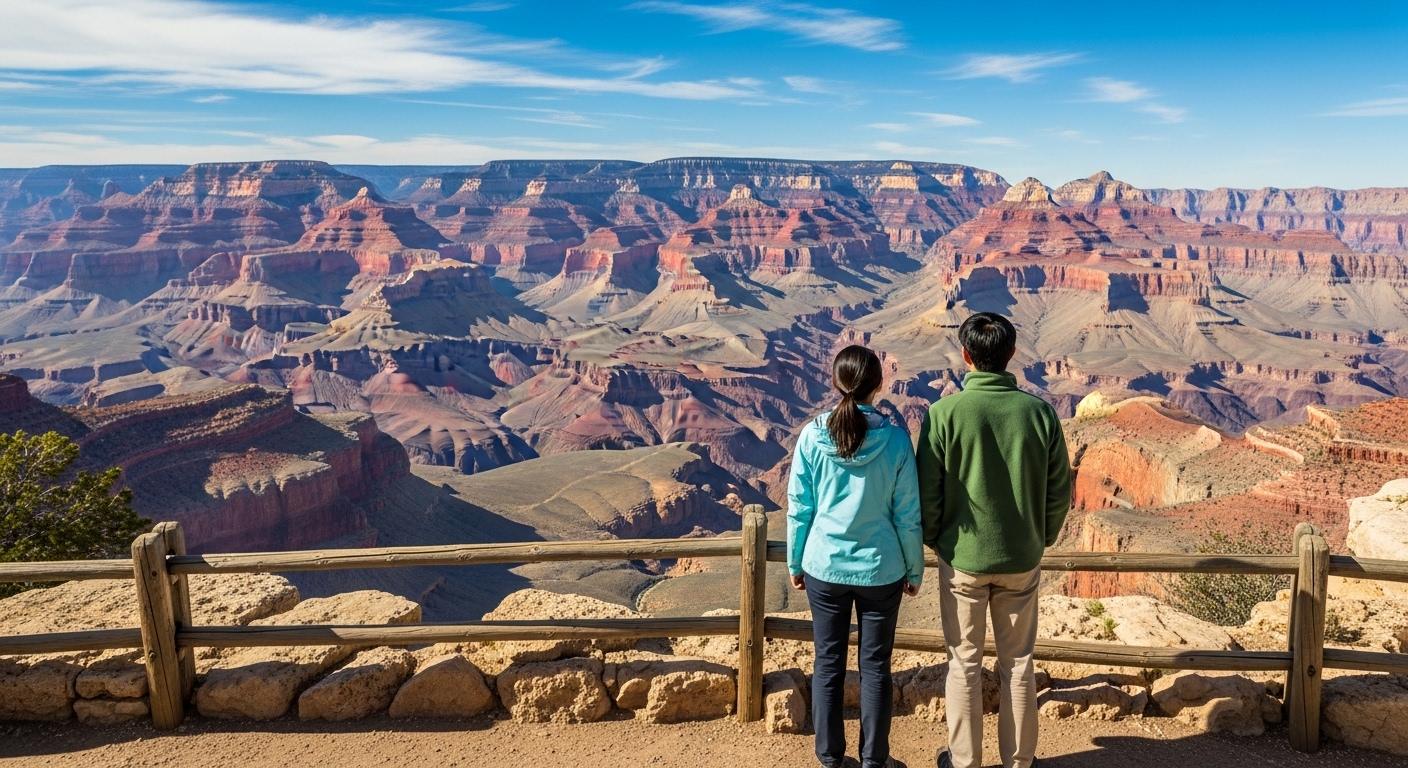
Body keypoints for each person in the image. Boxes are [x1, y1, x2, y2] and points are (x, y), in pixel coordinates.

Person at [916, 312, 1072, 768]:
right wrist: (1039, 537)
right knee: (1019, 664)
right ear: (1012, 355)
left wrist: (938, 540)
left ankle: (964, 762)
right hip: (1021, 559)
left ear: (966, 356)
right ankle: (1019, 763)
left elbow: (929, 492)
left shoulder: (943, 414)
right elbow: (1060, 489)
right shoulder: (1039, 413)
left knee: (963, 661)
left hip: (962, 560)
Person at [788, 344, 925, 768]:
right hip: (881, 570)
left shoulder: (812, 435)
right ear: (878, 385)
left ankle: (830, 758)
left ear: (836, 382)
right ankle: (873, 760)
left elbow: (800, 507)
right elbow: (907, 516)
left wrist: (796, 562)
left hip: (824, 568)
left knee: (828, 663)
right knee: (875, 668)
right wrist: (914, 569)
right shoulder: (898, 440)